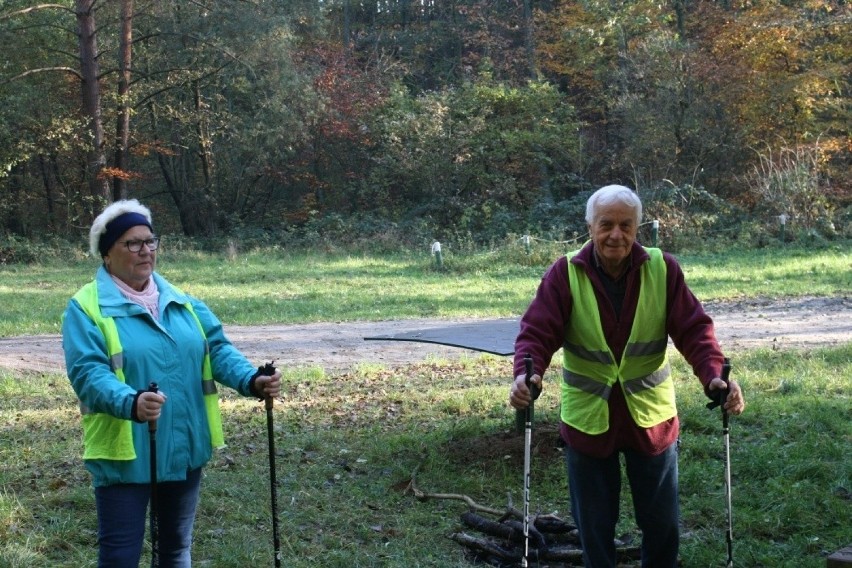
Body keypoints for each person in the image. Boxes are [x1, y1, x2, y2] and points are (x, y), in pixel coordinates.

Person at [509, 185, 745, 568]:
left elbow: (694, 330)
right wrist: (526, 375)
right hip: (588, 419)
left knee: (662, 525)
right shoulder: (564, 273)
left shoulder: (662, 268)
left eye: (625, 225)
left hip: (650, 419)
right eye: (606, 224)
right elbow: (536, 332)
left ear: (638, 228)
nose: (615, 234)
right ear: (589, 226)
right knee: (594, 528)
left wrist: (715, 375)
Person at [61, 199, 282, 567]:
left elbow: (215, 350)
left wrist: (251, 379)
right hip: (125, 452)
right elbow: (87, 373)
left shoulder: (182, 301)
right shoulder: (85, 308)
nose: (145, 250)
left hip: (183, 443)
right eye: (132, 243)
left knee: (176, 550)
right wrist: (130, 401)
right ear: (107, 253)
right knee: (120, 556)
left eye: (150, 241)